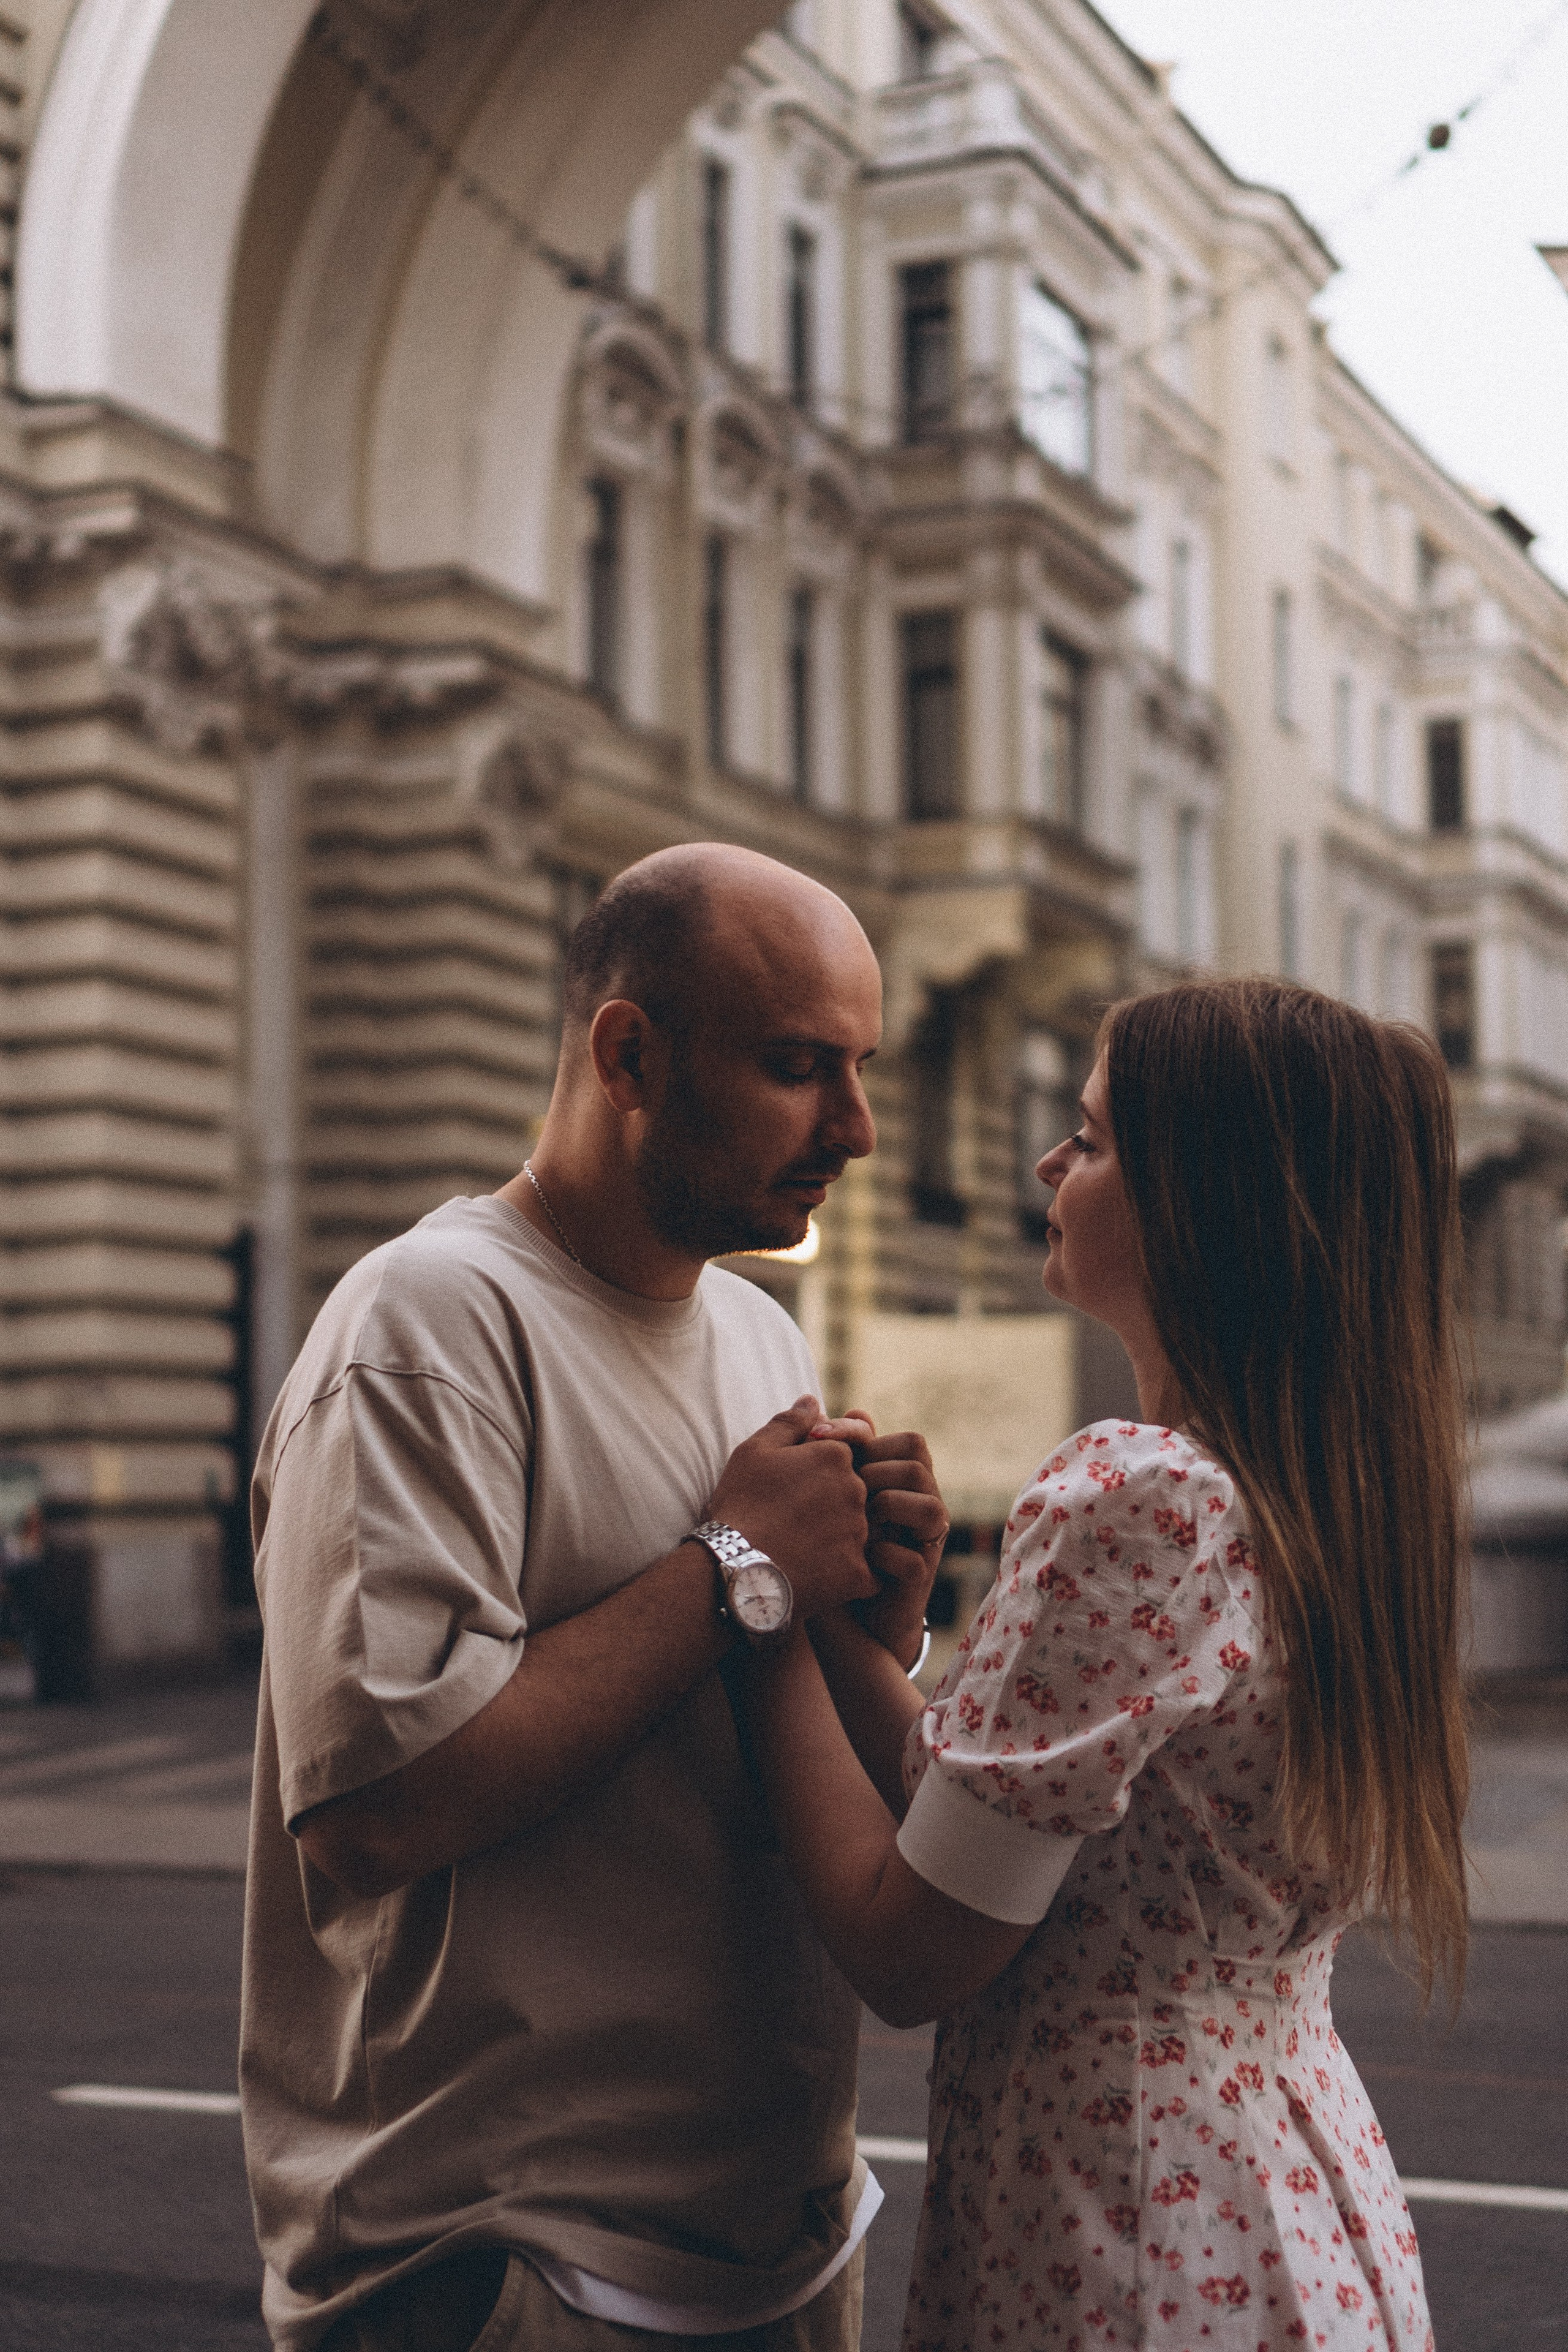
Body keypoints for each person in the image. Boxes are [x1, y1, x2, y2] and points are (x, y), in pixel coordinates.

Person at [239, 843, 949, 2352]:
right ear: (628, 1052)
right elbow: (378, 1807)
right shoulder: (428, 1321)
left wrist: (868, 1622)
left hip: (781, 2239)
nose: (858, 1127)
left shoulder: (758, 1335)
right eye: (795, 1066)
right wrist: (739, 1568)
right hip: (510, 2264)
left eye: (861, 1069)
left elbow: (743, 1726)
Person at [748, 976, 1469, 2351]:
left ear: (1203, 1201)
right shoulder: (1322, 1500)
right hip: (1287, 2207)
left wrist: (752, 1596)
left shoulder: (1138, 1496)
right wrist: (853, 1646)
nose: (1047, 1166)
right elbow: (1010, 1839)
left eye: (1087, 1139)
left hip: (1126, 2229)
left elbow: (912, 1947)